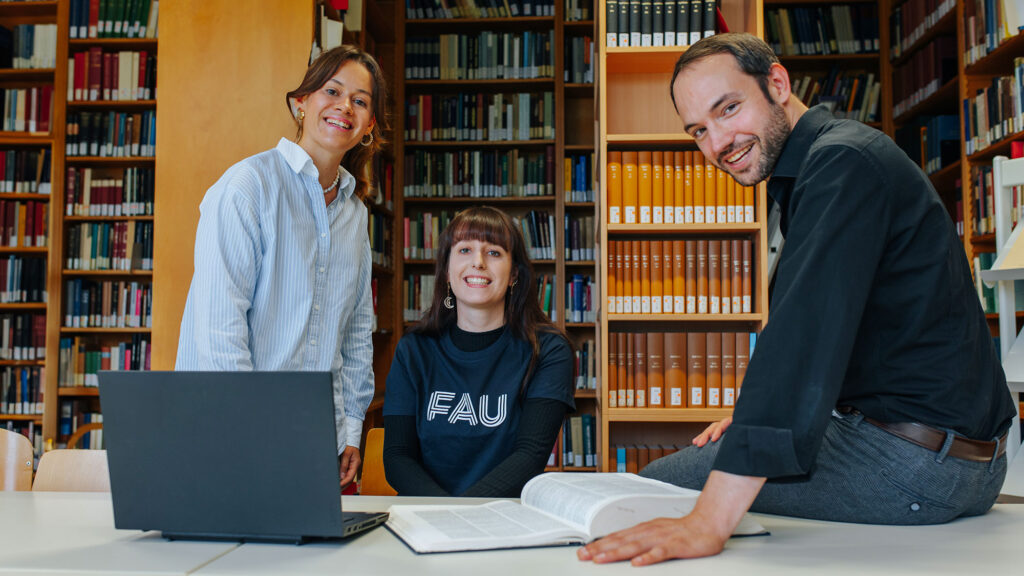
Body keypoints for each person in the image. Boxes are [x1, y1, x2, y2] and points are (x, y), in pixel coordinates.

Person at [579, 33, 1016, 566]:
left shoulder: (841, 164)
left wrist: (708, 524)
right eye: (699, 131)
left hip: (918, 466)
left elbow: (801, 342)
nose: (718, 143)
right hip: (957, 459)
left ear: (778, 84)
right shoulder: (833, 161)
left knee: (646, 492)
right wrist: (752, 421)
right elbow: (864, 339)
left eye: (729, 109)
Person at [176, 45, 390, 487]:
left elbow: (355, 332)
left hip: (313, 438)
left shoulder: (355, 214)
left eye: (360, 100)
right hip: (232, 431)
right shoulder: (247, 187)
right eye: (332, 91)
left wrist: (351, 426)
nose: (344, 106)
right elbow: (219, 330)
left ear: (368, 126)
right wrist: (253, 430)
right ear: (301, 103)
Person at [383, 207, 575, 497]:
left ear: (514, 275)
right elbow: (398, 457)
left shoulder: (548, 350)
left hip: (504, 518)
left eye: (494, 252)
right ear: (447, 271)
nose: (478, 262)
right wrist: (446, 516)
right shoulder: (414, 349)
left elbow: (530, 456)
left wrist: (463, 517)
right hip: (425, 519)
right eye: (464, 250)